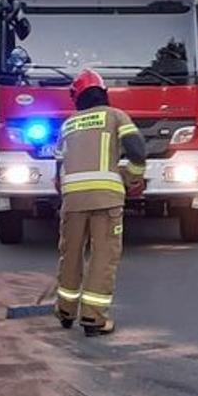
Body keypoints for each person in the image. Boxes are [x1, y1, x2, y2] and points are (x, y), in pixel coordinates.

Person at [54, 70, 148, 336]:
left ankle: (65, 311)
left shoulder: (68, 124)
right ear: (103, 93)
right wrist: (132, 177)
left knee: (70, 254)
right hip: (106, 198)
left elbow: (58, 168)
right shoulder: (115, 116)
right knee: (103, 256)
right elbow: (138, 150)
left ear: (77, 98)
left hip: (72, 201)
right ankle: (93, 319)